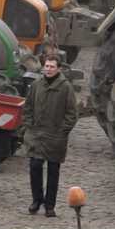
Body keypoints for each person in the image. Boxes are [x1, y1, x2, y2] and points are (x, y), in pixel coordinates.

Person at [23, 55, 78, 217]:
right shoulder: (36, 85)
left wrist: (62, 131)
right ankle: (36, 199)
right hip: (37, 134)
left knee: (53, 171)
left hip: (55, 136)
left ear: (58, 69)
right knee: (35, 166)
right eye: (46, 66)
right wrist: (29, 126)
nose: (48, 69)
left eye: (52, 66)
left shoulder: (65, 87)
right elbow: (28, 107)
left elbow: (72, 113)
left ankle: (50, 205)